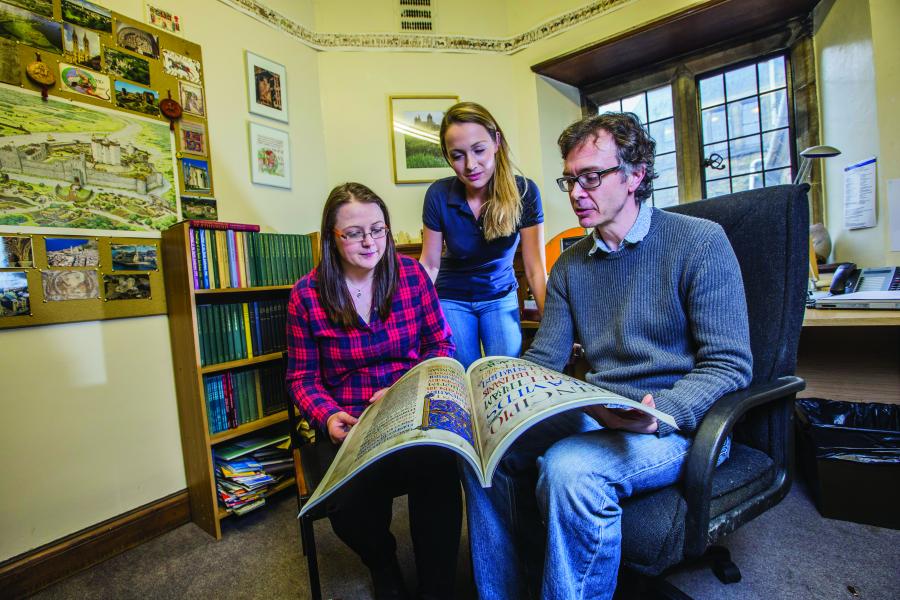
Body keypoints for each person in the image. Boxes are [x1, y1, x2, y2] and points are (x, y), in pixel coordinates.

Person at [463, 112, 754, 600]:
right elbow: (547, 358)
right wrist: (496, 394)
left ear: (636, 175)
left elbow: (729, 365)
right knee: (480, 453)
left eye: (591, 178)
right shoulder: (571, 264)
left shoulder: (700, 243)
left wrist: (663, 413)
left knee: (569, 469)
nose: (576, 193)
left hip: (684, 423)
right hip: (601, 411)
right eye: (570, 180)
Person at [286, 182, 462, 600]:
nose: (369, 242)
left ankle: (437, 588)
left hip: (410, 409)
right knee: (346, 505)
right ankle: (383, 563)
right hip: (351, 424)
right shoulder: (306, 296)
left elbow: (441, 346)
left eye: (378, 229)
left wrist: (403, 390)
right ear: (332, 235)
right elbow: (302, 379)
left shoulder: (412, 274)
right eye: (354, 233)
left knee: (438, 470)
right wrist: (328, 415)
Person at [419, 101, 547, 370]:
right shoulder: (438, 195)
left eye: (479, 150)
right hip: (451, 297)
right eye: (457, 155)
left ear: (496, 142)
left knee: (505, 374)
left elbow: (535, 269)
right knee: (463, 373)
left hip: (500, 296)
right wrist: (412, 316)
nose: (470, 165)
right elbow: (429, 265)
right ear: (447, 156)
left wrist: (552, 325)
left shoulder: (525, 192)